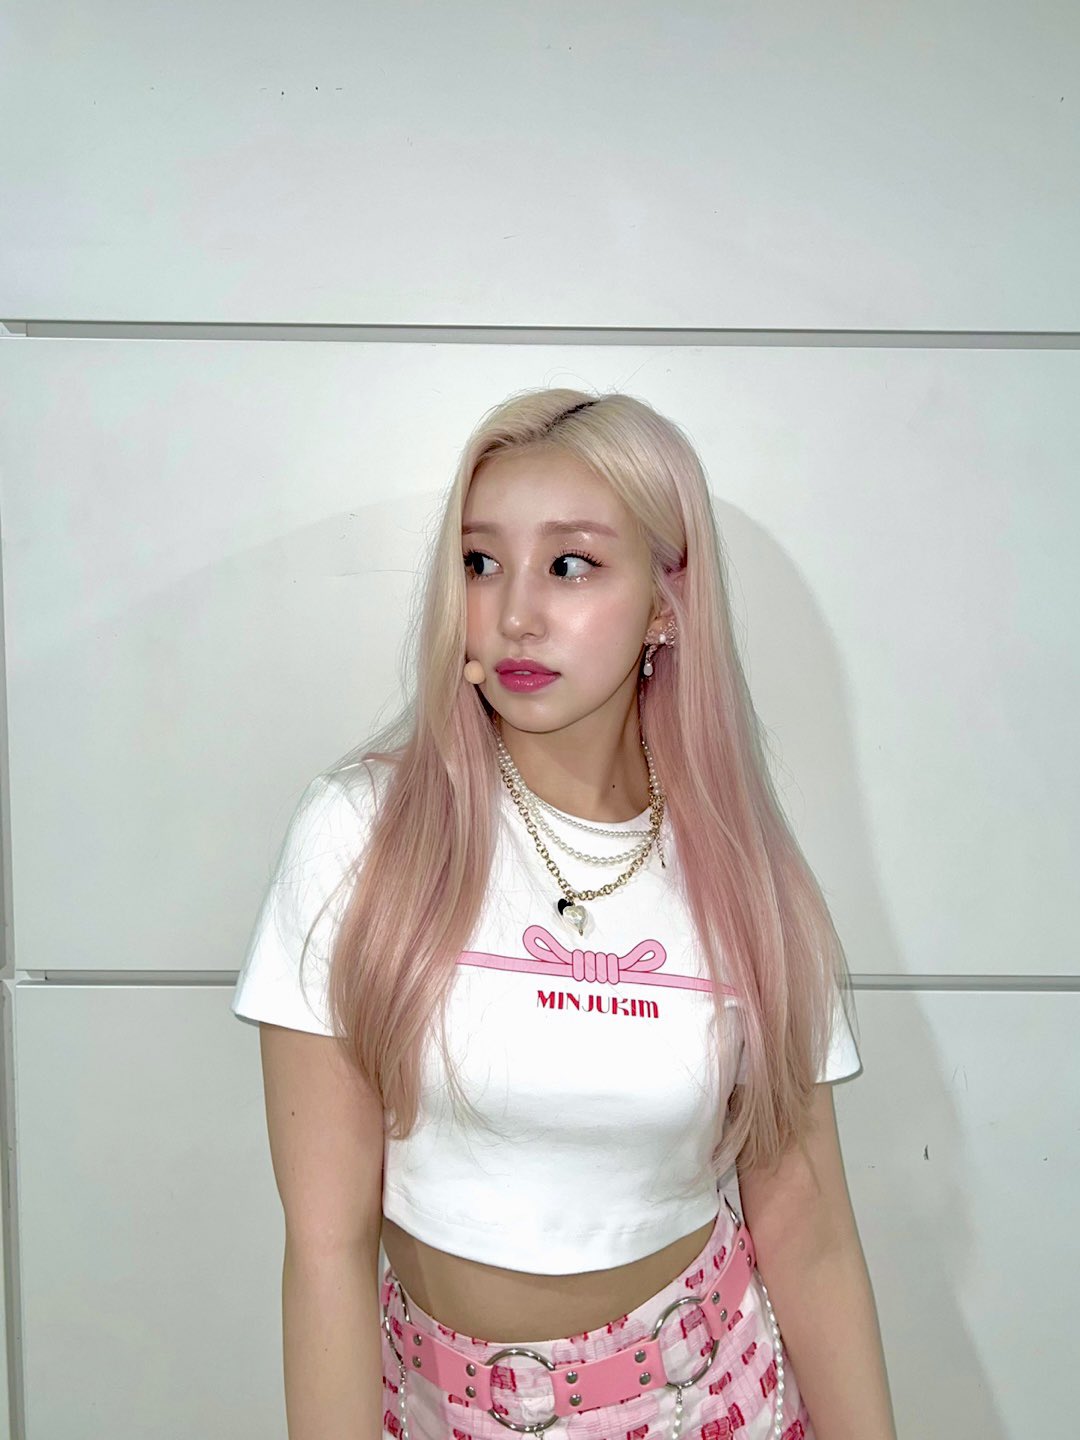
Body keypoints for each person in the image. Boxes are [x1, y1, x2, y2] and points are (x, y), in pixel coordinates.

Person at [232, 388, 898, 1440]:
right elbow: (324, 1246)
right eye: (480, 561)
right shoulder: (362, 834)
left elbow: (808, 1226)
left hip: (708, 1396)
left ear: (666, 602)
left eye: (571, 564)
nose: (514, 614)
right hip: (435, 1404)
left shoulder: (748, 877)